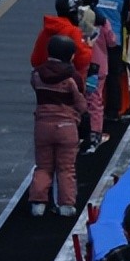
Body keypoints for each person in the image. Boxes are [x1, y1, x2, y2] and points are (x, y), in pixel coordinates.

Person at [28, 35, 87, 218]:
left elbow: (35, 87)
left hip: (43, 126)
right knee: (66, 168)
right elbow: (81, 105)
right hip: (67, 127)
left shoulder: (37, 74)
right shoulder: (72, 78)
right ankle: (66, 206)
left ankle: (38, 203)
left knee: (43, 166)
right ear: (70, 56)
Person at [86, 0, 130, 122]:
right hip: (114, 40)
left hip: (91, 39)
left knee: (89, 74)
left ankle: (88, 111)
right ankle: (113, 112)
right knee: (114, 75)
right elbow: (126, 14)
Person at [74, 0, 114, 154]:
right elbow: (112, 41)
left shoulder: (74, 18)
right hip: (98, 67)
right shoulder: (102, 20)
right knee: (95, 100)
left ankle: (78, 132)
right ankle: (95, 133)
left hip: (79, 65)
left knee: (77, 99)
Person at [30, 0, 92, 80]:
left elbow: (35, 60)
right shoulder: (73, 31)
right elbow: (81, 62)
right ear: (73, 13)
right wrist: (89, 48)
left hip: (43, 80)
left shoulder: (46, 29)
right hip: (65, 81)